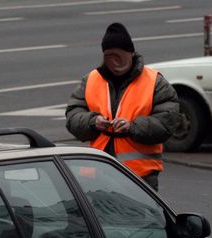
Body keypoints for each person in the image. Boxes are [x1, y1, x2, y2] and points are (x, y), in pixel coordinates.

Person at [65, 22, 179, 191]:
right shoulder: (91, 79)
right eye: (109, 56)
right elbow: (73, 116)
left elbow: (166, 123)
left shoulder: (154, 82)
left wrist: (132, 127)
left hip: (139, 177)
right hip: (97, 174)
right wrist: (92, 122)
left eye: (119, 55)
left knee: (139, 218)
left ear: (131, 53)